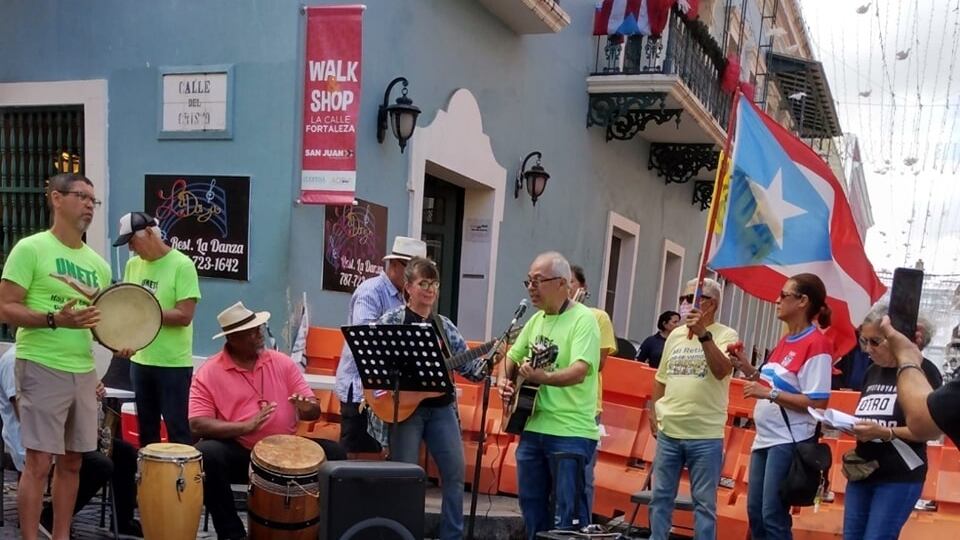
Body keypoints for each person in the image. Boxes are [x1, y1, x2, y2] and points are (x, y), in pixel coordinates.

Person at [0, 173, 112, 540]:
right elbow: (5, 307)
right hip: (41, 365)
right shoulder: (30, 249)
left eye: (93, 201)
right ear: (56, 199)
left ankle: (61, 535)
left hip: (82, 369)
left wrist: (119, 340)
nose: (88, 206)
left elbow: (98, 322)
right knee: (38, 463)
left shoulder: (99, 265)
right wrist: (53, 319)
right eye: (81, 196)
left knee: (74, 461)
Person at [189, 301, 346, 540]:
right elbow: (197, 423)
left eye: (259, 328)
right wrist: (245, 426)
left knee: (335, 454)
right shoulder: (209, 372)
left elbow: (313, 409)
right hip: (243, 452)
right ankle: (232, 534)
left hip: (288, 450)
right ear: (233, 339)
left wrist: (308, 408)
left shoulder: (282, 362)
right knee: (205, 454)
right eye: (251, 332)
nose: (259, 334)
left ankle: (323, 532)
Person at [364, 257, 486, 540]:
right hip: (407, 411)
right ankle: (404, 534)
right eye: (423, 283)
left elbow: (471, 369)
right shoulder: (392, 321)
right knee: (406, 478)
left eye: (434, 284)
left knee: (454, 475)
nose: (430, 290)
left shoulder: (444, 326)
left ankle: (451, 536)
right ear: (408, 287)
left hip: (441, 410)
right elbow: (371, 360)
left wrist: (492, 358)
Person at [500, 252, 600, 538]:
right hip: (532, 426)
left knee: (566, 516)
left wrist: (544, 377)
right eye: (528, 281)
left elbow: (581, 370)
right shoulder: (536, 321)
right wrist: (504, 382)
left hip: (570, 431)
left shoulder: (584, 320)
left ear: (562, 283)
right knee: (531, 506)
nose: (531, 287)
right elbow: (511, 356)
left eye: (537, 281)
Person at [730, 273, 833, 539]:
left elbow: (817, 402)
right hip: (766, 437)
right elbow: (772, 382)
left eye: (784, 295)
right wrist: (747, 368)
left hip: (788, 440)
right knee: (756, 512)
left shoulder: (817, 343)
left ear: (802, 301)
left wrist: (769, 393)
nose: (777, 300)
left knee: (772, 515)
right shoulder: (786, 340)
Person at [0, 346, 141, 538]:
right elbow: (23, 415)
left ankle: (124, 521)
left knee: (125, 453)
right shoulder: (14, 359)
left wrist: (93, 388)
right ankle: (47, 517)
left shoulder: (72, 357)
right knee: (100, 464)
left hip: (63, 437)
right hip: (35, 440)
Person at [836, 304, 943, 540]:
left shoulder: (922, 372)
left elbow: (930, 430)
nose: (868, 350)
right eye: (863, 341)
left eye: (875, 342)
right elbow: (870, 416)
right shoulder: (871, 372)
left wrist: (887, 432)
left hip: (899, 475)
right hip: (863, 472)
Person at [648, 277, 737, 540]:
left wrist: (703, 335)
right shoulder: (675, 335)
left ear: (712, 304)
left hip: (705, 434)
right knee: (660, 498)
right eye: (683, 299)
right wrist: (654, 414)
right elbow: (661, 379)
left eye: (693, 299)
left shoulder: (726, 335)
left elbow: (722, 370)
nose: (686, 304)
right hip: (670, 432)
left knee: (704, 504)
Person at [113, 211, 200, 446]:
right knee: (147, 432)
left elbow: (184, 315)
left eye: (133, 242)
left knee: (177, 429)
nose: (132, 249)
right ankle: (150, 481)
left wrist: (146, 314)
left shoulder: (182, 265)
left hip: (172, 362)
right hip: (141, 360)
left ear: (150, 233)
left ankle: (182, 482)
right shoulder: (133, 265)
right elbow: (129, 308)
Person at [335, 236, 427, 455]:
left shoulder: (408, 298)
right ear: (395, 265)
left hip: (391, 394)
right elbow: (364, 339)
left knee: (382, 461)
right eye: (412, 270)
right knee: (357, 460)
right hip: (362, 390)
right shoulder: (371, 292)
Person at [569, 264, 617, 517]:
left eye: (571, 284)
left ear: (582, 289)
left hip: (586, 407)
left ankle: (582, 526)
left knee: (583, 475)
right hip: (551, 406)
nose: (566, 289)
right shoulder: (547, 316)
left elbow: (598, 363)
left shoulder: (597, 317)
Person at [885, 315, 960, 446]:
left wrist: (907, 356)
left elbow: (924, 423)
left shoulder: (928, 370)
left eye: (876, 341)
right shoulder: (873, 371)